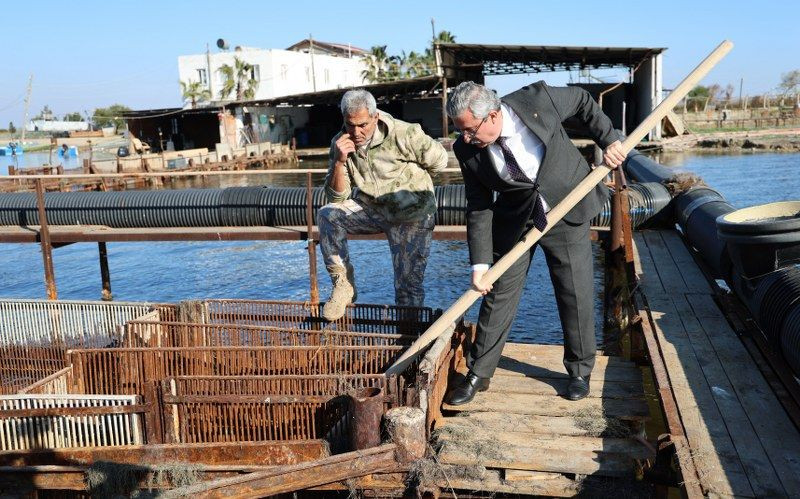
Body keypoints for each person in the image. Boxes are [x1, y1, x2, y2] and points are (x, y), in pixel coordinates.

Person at [444, 81, 626, 404]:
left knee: (575, 289)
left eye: (470, 130)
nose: (466, 139)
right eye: (462, 132)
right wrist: (480, 264)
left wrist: (609, 139)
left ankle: (579, 371)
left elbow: (584, 102)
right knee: (498, 290)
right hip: (517, 218)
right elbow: (479, 204)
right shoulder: (466, 150)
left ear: (492, 115)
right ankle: (479, 372)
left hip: (566, 203)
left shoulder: (538, 101)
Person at [318, 89, 448, 321]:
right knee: (328, 215)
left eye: (363, 125)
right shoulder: (340, 144)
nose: (356, 132)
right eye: (350, 125)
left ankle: (407, 345)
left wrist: (412, 185)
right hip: (373, 210)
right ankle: (343, 284)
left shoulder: (405, 133)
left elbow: (439, 161)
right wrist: (339, 162)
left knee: (408, 288)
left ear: (375, 117)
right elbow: (337, 198)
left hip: (412, 216)